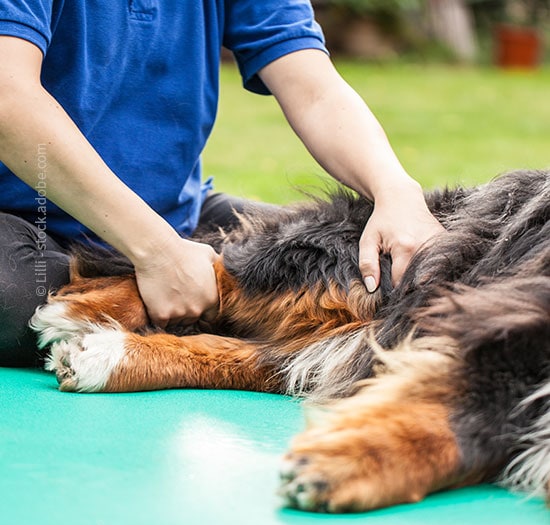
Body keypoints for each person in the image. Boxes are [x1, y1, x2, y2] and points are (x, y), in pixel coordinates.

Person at [0, 1, 443, 367]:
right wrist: (156, 252)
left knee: (346, 271)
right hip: (21, 220)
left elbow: (316, 91)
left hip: (179, 219)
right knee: (11, 297)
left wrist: (394, 190)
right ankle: (177, 303)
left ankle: (161, 302)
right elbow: (8, 96)